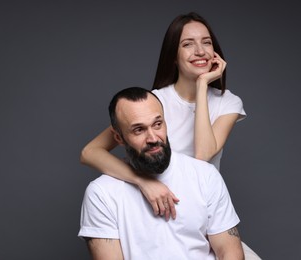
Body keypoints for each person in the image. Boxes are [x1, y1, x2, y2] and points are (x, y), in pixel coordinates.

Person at [80, 12, 261, 258]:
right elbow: (90, 152)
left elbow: (203, 155)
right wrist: (144, 182)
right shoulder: (155, 103)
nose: (200, 51)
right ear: (173, 56)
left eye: (206, 42)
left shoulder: (226, 102)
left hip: (203, 214)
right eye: (187, 44)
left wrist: (202, 86)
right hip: (153, 210)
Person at [79, 87, 244, 259]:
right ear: (119, 138)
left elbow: (230, 252)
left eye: (157, 124)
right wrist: (142, 181)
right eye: (138, 130)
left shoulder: (205, 175)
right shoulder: (101, 193)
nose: (153, 138)